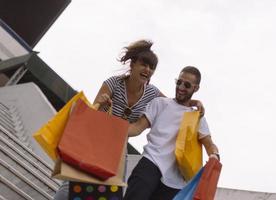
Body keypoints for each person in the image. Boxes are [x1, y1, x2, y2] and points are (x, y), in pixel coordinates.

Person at [53, 40, 204, 199]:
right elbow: (92, 113)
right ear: (132, 64)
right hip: (96, 140)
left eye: (151, 67)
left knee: (110, 190)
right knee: (72, 184)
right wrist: (101, 103)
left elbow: (174, 105)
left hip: (119, 146)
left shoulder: (151, 93)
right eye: (144, 64)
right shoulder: (113, 83)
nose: (147, 70)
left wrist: (194, 102)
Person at [123, 66, 219, 200]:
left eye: (187, 85)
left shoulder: (197, 117)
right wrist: (110, 128)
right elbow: (136, 128)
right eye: (179, 82)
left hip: (175, 180)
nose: (181, 87)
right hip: (151, 162)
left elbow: (209, 144)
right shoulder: (160, 103)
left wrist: (214, 155)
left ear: (196, 88)